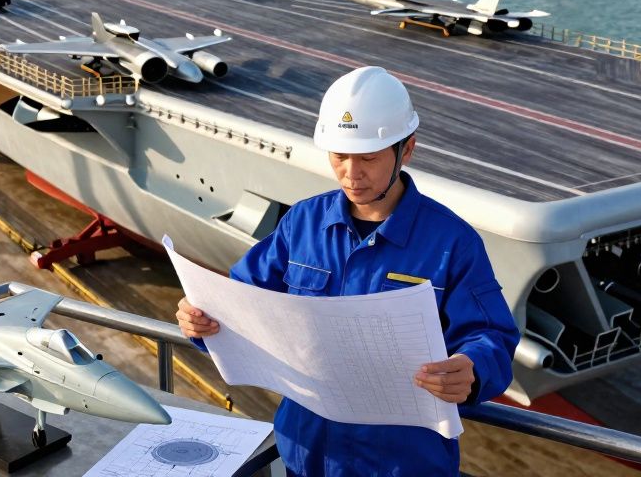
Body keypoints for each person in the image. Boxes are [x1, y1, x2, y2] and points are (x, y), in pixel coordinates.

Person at [176, 66, 520, 476]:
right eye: (339, 156)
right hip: (306, 454)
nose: (351, 174)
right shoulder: (301, 223)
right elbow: (240, 300)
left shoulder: (452, 242)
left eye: (369, 158)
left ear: (406, 150)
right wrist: (201, 320)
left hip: (402, 463)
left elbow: (492, 336)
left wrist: (473, 369)